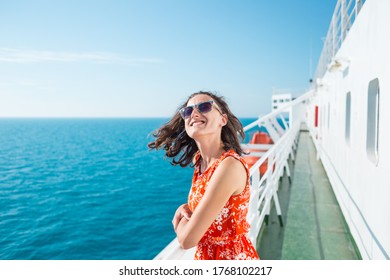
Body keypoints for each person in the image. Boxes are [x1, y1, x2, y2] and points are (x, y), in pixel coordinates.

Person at [148, 91, 259, 260]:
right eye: (187, 111)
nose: (194, 113)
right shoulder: (200, 161)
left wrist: (179, 219)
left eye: (204, 107)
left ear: (223, 120)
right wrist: (186, 208)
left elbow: (187, 240)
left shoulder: (228, 166)